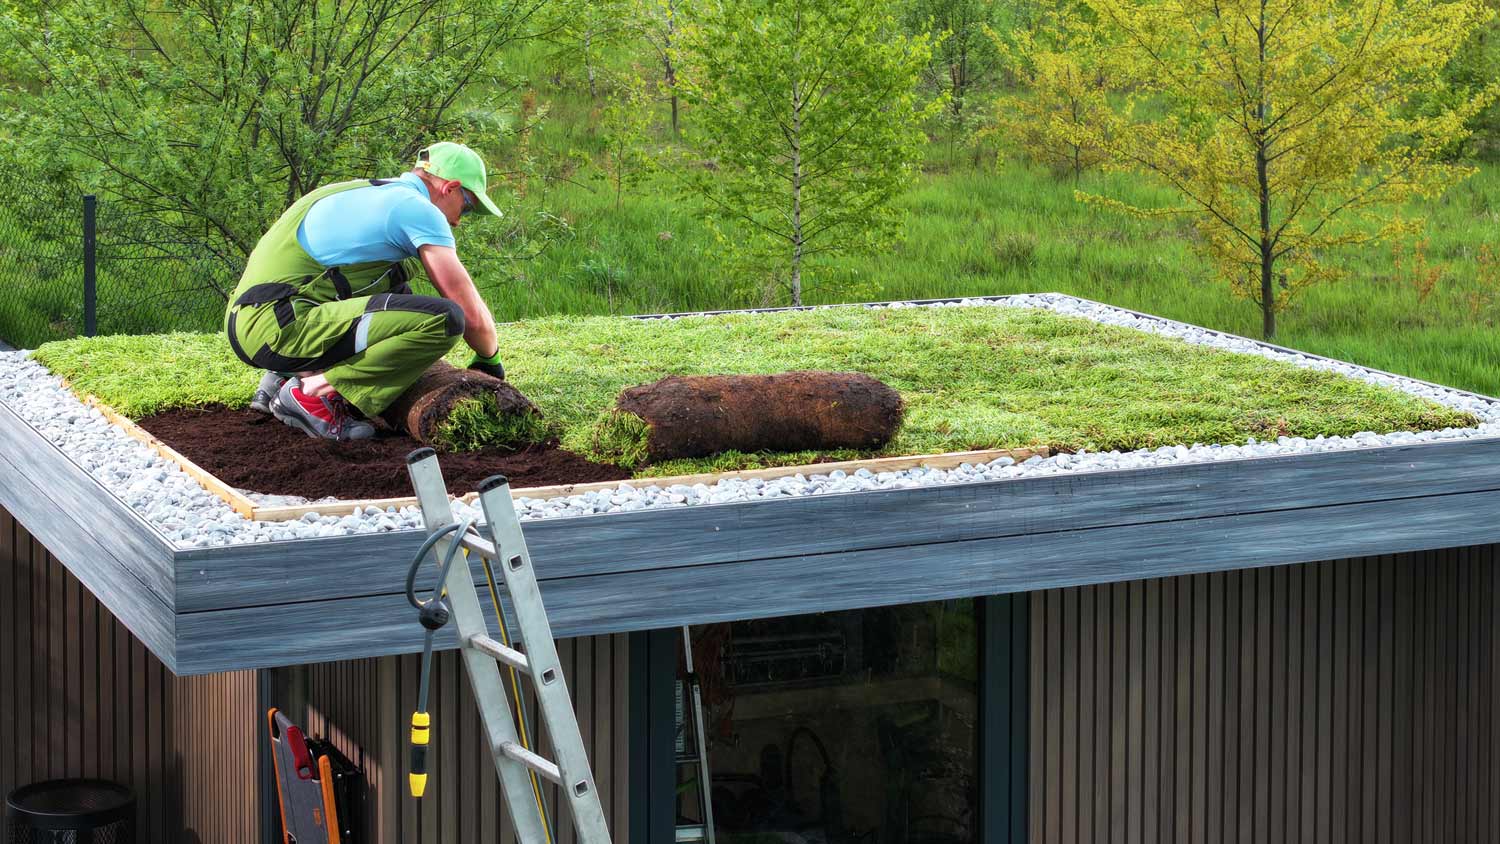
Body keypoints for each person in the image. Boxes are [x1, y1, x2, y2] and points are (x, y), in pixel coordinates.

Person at [224, 142, 509, 440]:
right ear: (450, 187)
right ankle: (312, 393)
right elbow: (469, 315)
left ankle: (281, 377)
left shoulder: (355, 192)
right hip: (281, 328)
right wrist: (490, 360)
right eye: (468, 206)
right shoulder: (418, 209)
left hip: (253, 320)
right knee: (444, 319)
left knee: (399, 288)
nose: (459, 221)